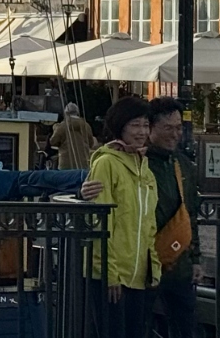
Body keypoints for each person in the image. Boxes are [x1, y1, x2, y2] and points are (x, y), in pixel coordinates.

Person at [85, 97, 159, 337]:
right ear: (120, 126)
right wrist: (108, 272)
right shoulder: (106, 163)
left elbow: (149, 223)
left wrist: (154, 267)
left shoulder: (144, 168)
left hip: (139, 275)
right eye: (135, 125)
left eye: (146, 125)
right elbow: (101, 220)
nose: (142, 132)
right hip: (112, 274)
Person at [146, 98, 201, 338]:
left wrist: (195, 259)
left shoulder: (183, 164)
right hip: (145, 261)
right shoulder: (138, 162)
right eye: (168, 128)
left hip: (179, 261)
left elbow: (191, 214)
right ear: (151, 127)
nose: (175, 134)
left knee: (185, 324)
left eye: (178, 127)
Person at [50, 102, 96, 170]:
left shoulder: (62, 126)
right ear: (77, 112)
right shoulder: (86, 126)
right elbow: (91, 143)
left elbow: (53, 142)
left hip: (65, 163)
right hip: (83, 162)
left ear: (65, 113)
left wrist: (55, 128)